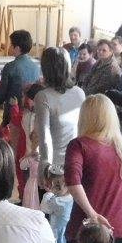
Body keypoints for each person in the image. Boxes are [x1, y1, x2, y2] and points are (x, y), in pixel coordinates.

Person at [63, 94, 122, 243]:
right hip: (120, 230)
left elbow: (72, 181)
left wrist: (92, 214)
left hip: (87, 234)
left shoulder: (79, 145)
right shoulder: (120, 148)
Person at [33, 46, 85, 176]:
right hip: (77, 160)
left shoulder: (43, 96)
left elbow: (44, 135)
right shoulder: (79, 92)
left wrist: (45, 164)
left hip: (55, 164)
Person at [0, 30, 40, 108]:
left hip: (13, 109)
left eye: (11, 44)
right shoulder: (36, 67)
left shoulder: (10, 67)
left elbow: (2, 93)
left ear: (17, 48)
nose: (9, 47)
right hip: (29, 109)